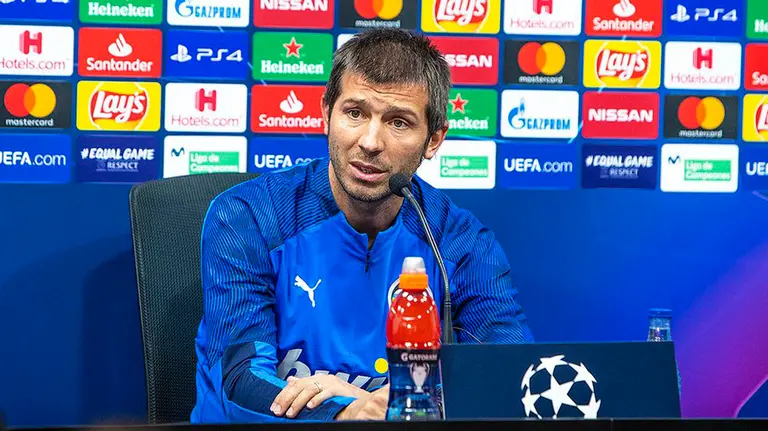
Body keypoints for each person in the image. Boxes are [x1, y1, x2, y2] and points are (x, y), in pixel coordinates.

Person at [190, 28, 534, 424]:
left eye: (399, 122)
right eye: (355, 113)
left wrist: (374, 401)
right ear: (326, 115)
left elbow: (507, 373)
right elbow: (239, 380)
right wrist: (348, 413)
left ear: (434, 139)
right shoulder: (249, 216)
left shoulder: (460, 243)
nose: (370, 141)